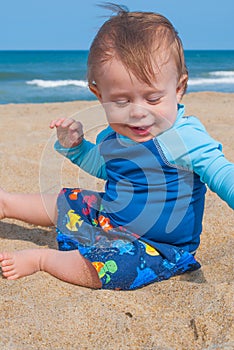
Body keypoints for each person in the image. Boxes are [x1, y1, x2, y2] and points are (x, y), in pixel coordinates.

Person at [0, 5, 233, 290]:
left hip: (158, 247)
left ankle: (43, 259)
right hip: (111, 217)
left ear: (179, 88)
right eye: (121, 101)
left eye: (152, 98)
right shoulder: (115, 134)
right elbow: (105, 167)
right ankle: (7, 203)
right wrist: (75, 148)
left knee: (114, 267)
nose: (138, 113)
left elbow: (221, 174)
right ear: (99, 95)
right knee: (69, 199)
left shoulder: (184, 138)